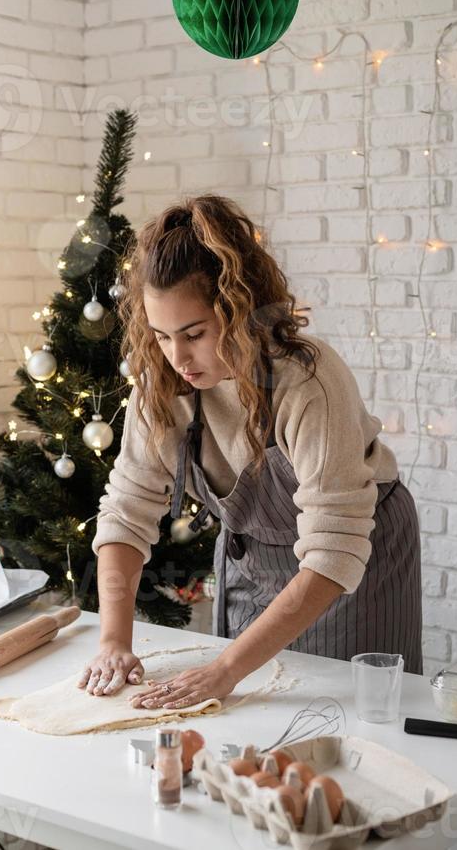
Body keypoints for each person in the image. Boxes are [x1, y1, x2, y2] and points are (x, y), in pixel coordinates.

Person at [77, 194, 423, 712]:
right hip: (251, 558)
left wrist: (226, 668)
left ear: (236, 311)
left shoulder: (307, 383)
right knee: (246, 718)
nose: (177, 357)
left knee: (347, 721)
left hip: (354, 563)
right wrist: (113, 641)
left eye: (194, 334)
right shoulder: (161, 386)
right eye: (162, 336)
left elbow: (334, 551)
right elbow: (126, 514)